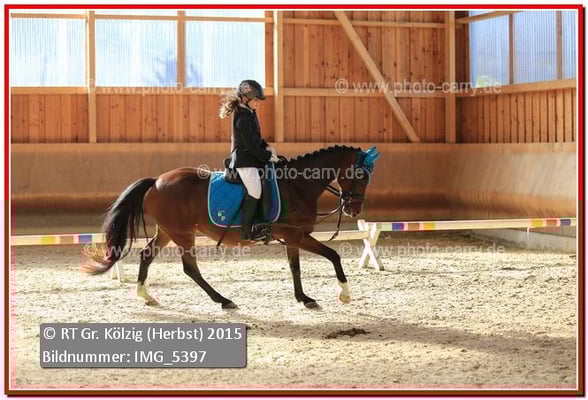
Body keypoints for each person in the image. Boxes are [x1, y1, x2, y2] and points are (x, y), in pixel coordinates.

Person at [219, 80, 279, 241]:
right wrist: (266, 156)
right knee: (255, 190)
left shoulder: (250, 112)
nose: (258, 103)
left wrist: (268, 148)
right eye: (256, 100)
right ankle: (246, 231)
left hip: (252, 158)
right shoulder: (242, 117)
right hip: (244, 160)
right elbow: (250, 145)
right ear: (245, 98)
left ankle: (262, 223)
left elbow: (256, 139)